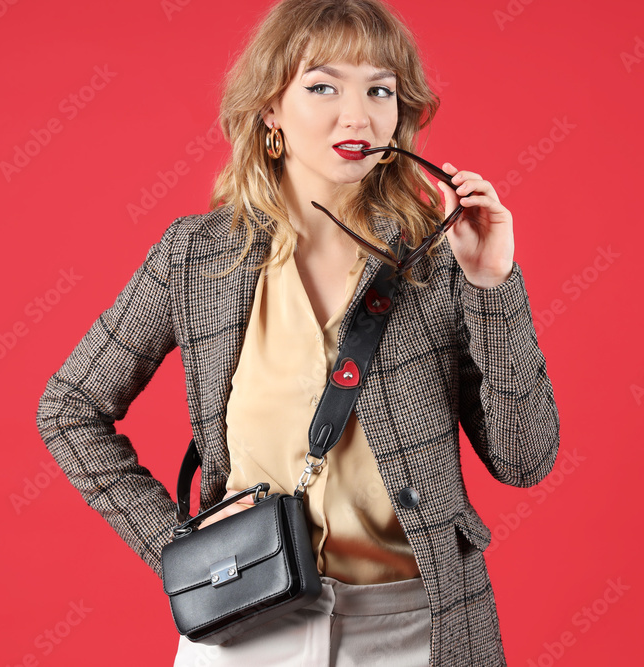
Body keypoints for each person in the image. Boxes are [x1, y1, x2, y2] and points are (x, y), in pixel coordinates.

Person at [36, 0, 560, 664]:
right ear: (270, 111)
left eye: (380, 89)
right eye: (322, 86)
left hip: (417, 631)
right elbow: (69, 407)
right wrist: (172, 541)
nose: (358, 114)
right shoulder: (196, 258)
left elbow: (524, 459)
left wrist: (492, 282)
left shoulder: (441, 259)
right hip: (247, 624)